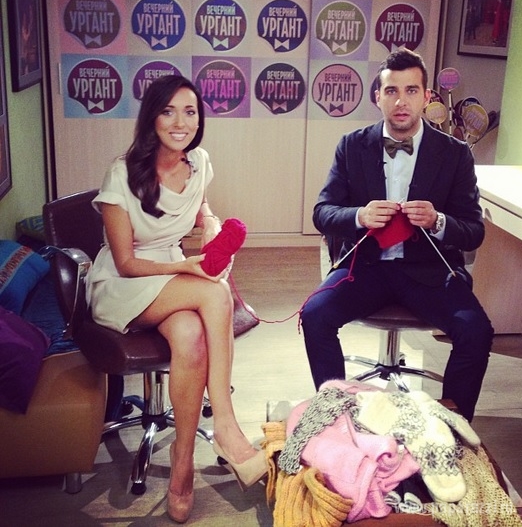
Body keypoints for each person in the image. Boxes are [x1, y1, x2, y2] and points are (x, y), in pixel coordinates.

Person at [87, 75, 267, 523]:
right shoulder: (121, 173)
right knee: (215, 291)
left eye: (190, 112)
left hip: (169, 270)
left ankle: (182, 461)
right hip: (124, 283)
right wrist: (186, 266)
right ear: (152, 117)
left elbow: (200, 206)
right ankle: (225, 423)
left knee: (190, 336)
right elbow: (126, 262)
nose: (180, 122)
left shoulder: (199, 162)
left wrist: (210, 223)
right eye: (168, 111)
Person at [300, 48, 493, 423]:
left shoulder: (455, 154)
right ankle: (335, 417)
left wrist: (437, 220)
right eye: (391, 91)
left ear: (426, 97)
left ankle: (453, 429)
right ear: (378, 96)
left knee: (476, 331)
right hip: (365, 268)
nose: (401, 101)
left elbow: (473, 233)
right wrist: (360, 215)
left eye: (411, 90)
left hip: (430, 273)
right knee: (314, 315)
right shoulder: (352, 146)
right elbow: (322, 213)